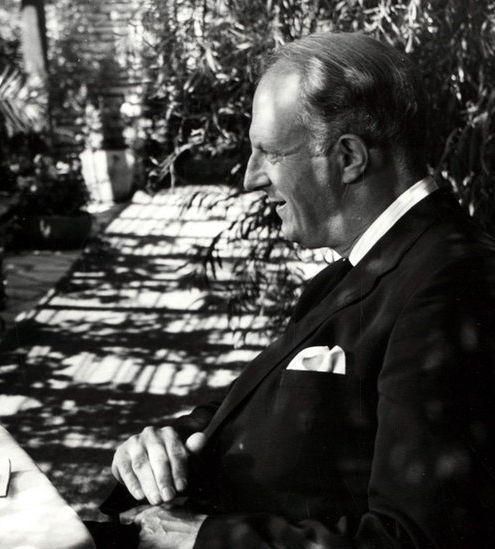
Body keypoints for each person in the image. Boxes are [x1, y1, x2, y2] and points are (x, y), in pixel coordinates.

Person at [102, 32, 495, 548]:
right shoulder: (358, 270)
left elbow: (416, 538)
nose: (250, 178)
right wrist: (169, 443)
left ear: (348, 157)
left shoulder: (453, 283)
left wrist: (206, 539)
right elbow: (276, 405)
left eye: (269, 153)